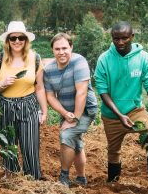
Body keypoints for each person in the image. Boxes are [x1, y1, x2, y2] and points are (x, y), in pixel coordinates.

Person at [94, 21, 148, 193]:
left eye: (124, 38)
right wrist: (119, 115)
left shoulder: (144, 58)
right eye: (116, 39)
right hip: (111, 115)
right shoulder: (104, 59)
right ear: (112, 38)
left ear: (132, 37)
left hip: (136, 111)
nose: (120, 42)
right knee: (113, 151)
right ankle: (113, 183)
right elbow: (103, 92)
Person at [0, 21, 47, 180]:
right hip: (5, 105)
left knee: (30, 145)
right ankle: (12, 178)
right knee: (8, 144)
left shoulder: (35, 58)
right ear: (7, 40)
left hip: (28, 104)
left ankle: (32, 179)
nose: (17, 41)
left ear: (26, 40)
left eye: (21, 37)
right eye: (12, 38)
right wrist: (2, 83)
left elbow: (40, 87)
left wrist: (43, 111)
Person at [43, 33, 97, 187]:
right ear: (52, 50)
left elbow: (82, 92)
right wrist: (65, 114)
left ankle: (64, 177)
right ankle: (81, 178)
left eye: (65, 48)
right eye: (57, 49)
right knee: (76, 142)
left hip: (86, 110)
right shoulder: (49, 70)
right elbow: (50, 96)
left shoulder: (79, 62)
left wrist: (75, 119)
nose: (61, 52)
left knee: (67, 134)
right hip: (68, 111)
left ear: (71, 47)